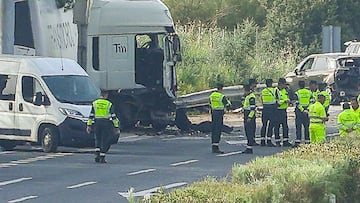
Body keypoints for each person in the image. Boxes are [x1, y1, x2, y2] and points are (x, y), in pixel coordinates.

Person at [87, 89, 120, 163]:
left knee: (98, 139)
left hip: (97, 122)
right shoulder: (109, 104)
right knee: (104, 140)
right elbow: (113, 116)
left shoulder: (95, 103)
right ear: (106, 95)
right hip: (106, 123)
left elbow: (91, 115)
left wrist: (89, 125)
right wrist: (116, 127)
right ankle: (102, 157)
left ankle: (97, 154)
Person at [209, 83, 231, 154]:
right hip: (219, 114)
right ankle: (216, 147)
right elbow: (227, 105)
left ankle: (213, 146)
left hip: (213, 113)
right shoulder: (222, 96)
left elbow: (209, 103)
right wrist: (228, 104)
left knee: (214, 129)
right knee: (218, 130)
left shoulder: (211, 95)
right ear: (221, 89)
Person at [274, 78, 291, 147]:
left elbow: (286, 97)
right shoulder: (275, 91)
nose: (285, 86)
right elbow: (275, 101)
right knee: (277, 126)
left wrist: (288, 100)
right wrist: (284, 101)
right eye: (284, 84)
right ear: (280, 84)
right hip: (277, 110)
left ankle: (285, 141)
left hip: (284, 110)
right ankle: (277, 141)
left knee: (285, 126)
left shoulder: (285, 90)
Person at [294, 80, 312, 146]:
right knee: (306, 126)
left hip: (299, 112)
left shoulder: (297, 93)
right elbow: (311, 102)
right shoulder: (309, 92)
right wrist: (307, 109)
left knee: (298, 127)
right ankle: (307, 141)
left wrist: (302, 110)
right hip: (307, 111)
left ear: (299, 85)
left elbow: (297, 103)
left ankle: (298, 141)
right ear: (305, 85)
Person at [260, 79, 277, 147]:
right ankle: (269, 140)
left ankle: (262, 141)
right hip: (272, 108)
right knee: (271, 125)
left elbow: (261, 99)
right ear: (271, 83)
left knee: (264, 125)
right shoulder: (274, 90)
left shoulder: (263, 91)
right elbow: (278, 99)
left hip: (265, 108)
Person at [242, 84, 256, 154]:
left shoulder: (251, 97)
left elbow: (253, 109)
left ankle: (250, 148)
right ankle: (248, 147)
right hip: (246, 115)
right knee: (247, 132)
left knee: (249, 132)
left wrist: (249, 117)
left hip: (249, 116)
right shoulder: (247, 96)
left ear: (245, 89)